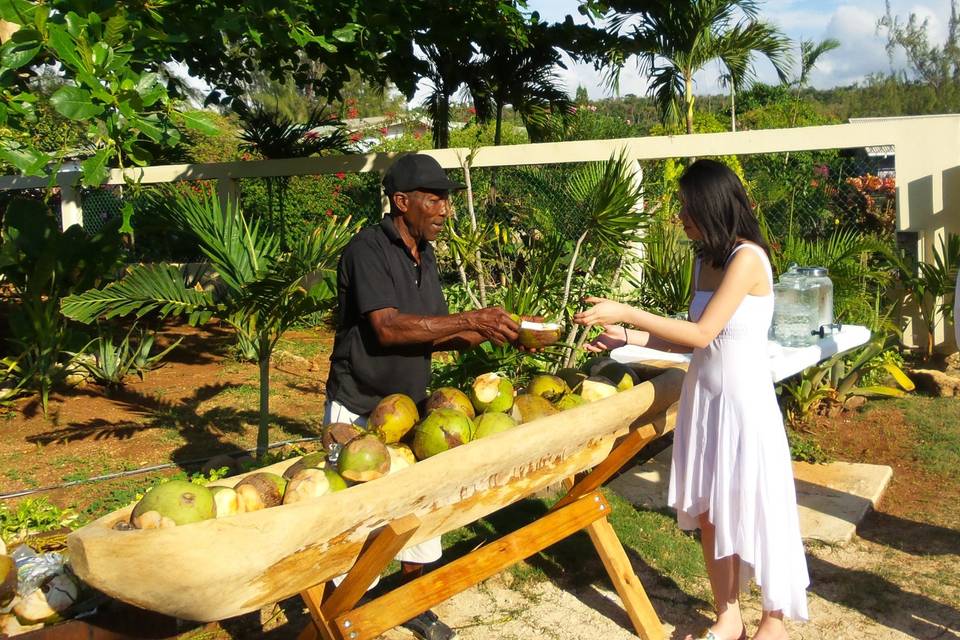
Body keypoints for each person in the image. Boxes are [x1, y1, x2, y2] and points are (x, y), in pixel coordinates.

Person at [573, 159, 809, 640]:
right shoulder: (706, 258)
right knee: (710, 510)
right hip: (705, 400)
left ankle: (773, 620)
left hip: (744, 405)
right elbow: (686, 339)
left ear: (712, 205)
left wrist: (629, 309)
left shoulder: (748, 259)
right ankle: (728, 615)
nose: (680, 216)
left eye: (686, 207)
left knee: (755, 505)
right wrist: (623, 336)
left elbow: (703, 332)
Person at [324, 153, 520, 640]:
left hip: (412, 409)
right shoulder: (366, 250)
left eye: (447, 199)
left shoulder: (424, 256)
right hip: (360, 404)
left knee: (418, 514)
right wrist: (470, 320)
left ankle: (410, 602)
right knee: (349, 518)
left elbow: (432, 334)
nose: (445, 209)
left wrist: (498, 331)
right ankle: (340, 614)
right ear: (401, 201)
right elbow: (388, 329)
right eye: (435, 199)